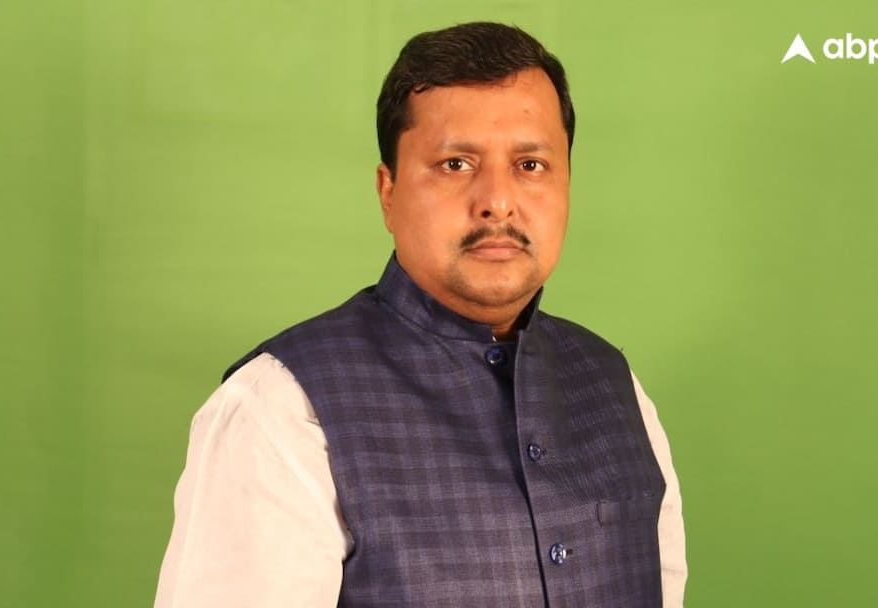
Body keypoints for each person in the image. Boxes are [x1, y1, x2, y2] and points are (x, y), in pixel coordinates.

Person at [155, 21, 686, 608]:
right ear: (389, 192)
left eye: (530, 165)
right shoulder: (281, 410)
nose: (498, 201)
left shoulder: (616, 387)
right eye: (456, 164)